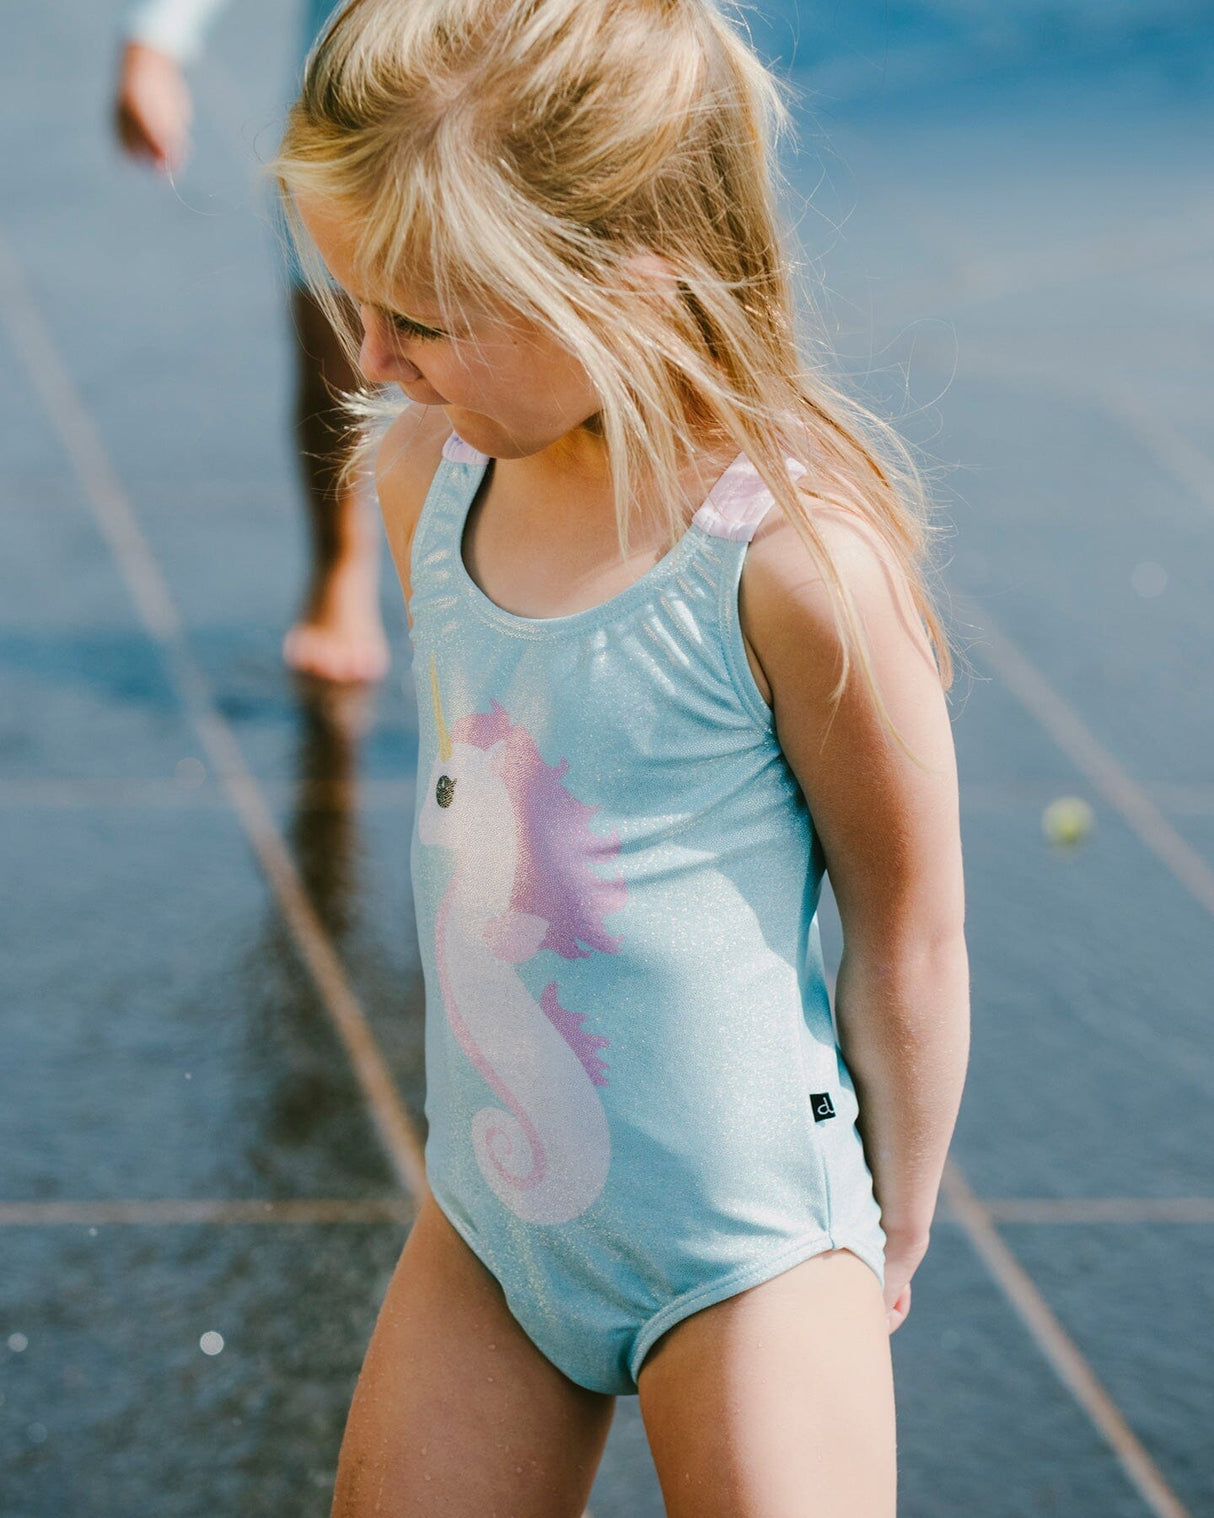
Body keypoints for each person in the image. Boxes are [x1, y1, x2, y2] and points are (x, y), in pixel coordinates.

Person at [274, 0, 971, 1511]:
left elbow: (906, 922)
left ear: (625, 278)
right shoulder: (426, 481)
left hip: (747, 1252)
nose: (375, 358)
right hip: (489, 1224)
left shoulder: (794, 567)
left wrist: (889, 1220)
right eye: (353, 304)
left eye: (424, 317)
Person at [113, 0, 390, 684]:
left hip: (542, 82)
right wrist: (153, 45)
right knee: (343, 353)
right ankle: (341, 559)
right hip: (353, 101)